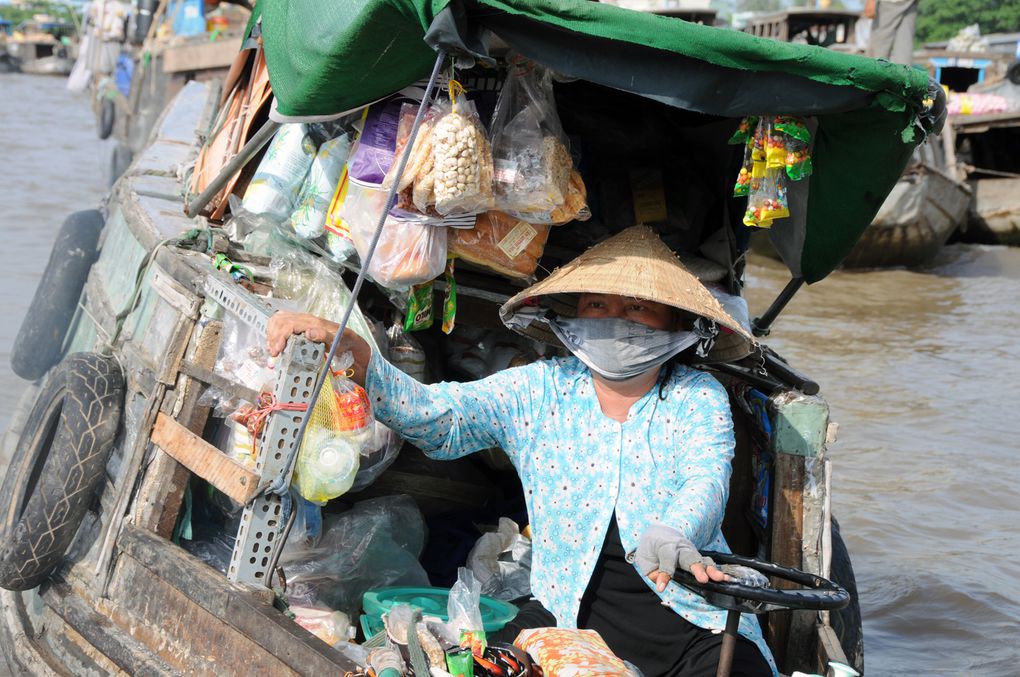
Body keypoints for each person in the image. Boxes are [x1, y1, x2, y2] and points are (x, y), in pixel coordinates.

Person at [267, 226, 775, 676]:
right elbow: (443, 419)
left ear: (673, 326)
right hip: (565, 612)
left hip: (688, 626)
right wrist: (361, 357)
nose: (613, 320)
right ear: (576, 314)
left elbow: (705, 478)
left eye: (637, 308)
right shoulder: (540, 388)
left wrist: (675, 530)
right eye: (598, 305)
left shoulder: (696, 397)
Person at [865, 0, 918, 65]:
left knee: (877, 56)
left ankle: (874, 72)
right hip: (910, 3)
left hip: (890, 3)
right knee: (903, 57)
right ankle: (901, 74)